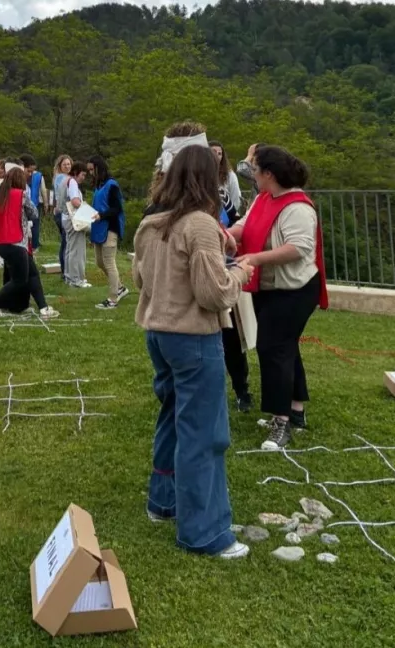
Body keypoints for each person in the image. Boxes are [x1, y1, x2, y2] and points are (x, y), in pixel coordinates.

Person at [133, 145, 255, 560]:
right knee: (204, 432)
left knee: (171, 415)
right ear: (209, 180)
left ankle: (163, 502)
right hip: (193, 337)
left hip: (158, 334)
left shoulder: (151, 223)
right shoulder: (201, 224)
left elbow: (140, 279)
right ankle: (204, 532)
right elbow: (213, 293)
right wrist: (240, 270)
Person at [230, 145, 328, 450]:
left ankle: (280, 421)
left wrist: (256, 259)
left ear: (269, 174)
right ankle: (296, 410)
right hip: (272, 289)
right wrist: (224, 234)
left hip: (296, 290)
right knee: (286, 348)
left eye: (256, 169)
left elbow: (298, 248)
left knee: (274, 349)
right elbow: (243, 227)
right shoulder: (263, 199)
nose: (253, 175)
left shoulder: (297, 207)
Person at [0, 167, 58, 319]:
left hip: (1, 243)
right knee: (19, 281)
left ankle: (44, 308)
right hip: (17, 242)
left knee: (32, 274)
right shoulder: (22, 195)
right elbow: (34, 213)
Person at [87, 155, 128, 309]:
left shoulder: (112, 185)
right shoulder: (98, 186)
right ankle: (120, 288)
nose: (90, 172)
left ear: (99, 168)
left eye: (92, 169)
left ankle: (113, 299)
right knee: (99, 261)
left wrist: (102, 215)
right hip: (98, 228)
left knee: (109, 263)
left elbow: (117, 208)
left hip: (110, 228)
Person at [61, 162, 90, 288]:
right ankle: (76, 279)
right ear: (76, 172)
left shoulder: (65, 181)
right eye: (83, 174)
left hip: (66, 218)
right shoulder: (72, 182)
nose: (84, 177)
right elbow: (75, 201)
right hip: (74, 220)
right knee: (76, 250)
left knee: (69, 249)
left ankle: (69, 276)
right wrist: (88, 209)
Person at [20, 154, 48, 253]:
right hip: (33, 203)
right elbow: (43, 191)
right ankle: (33, 246)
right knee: (34, 226)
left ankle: (32, 245)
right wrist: (46, 204)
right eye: (29, 170)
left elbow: (44, 191)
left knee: (32, 226)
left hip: (32, 203)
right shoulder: (39, 176)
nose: (31, 173)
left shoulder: (35, 175)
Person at [52, 154, 72, 280]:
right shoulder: (62, 178)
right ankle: (65, 272)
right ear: (60, 166)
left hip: (59, 212)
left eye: (69, 164)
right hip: (63, 212)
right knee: (65, 243)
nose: (67, 166)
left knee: (65, 242)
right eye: (64, 164)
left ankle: (65, 270)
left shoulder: (58, 177)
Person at [209, 141, 242, 213]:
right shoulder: (199, 174)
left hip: (224, 218)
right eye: (213, 152)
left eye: (220, 154)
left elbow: (236, 200)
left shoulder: (230, 175)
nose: (217, 155)